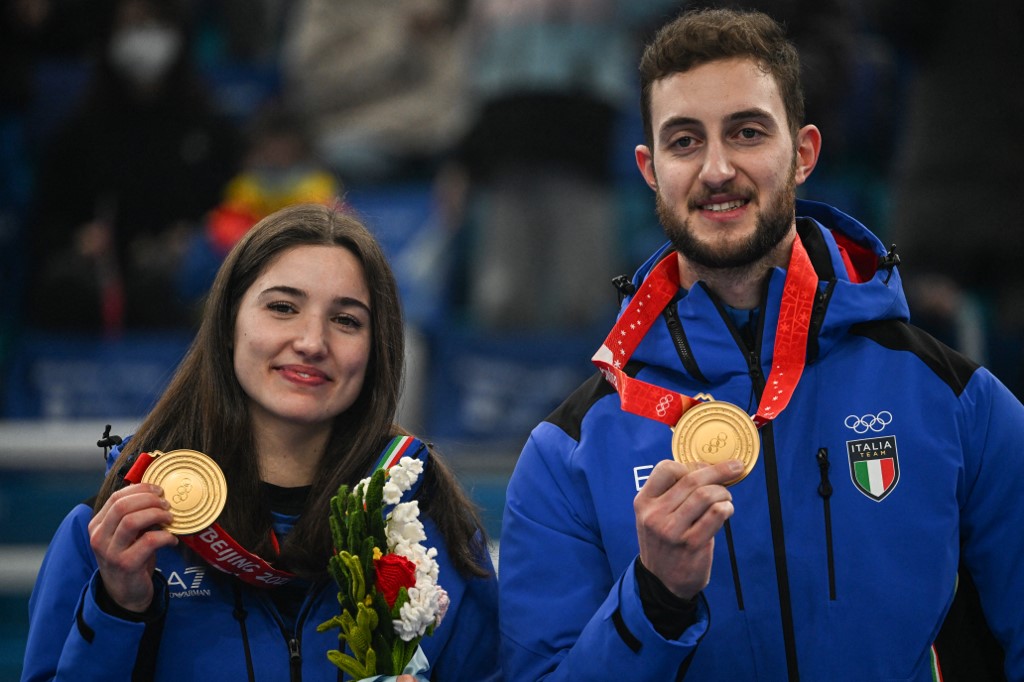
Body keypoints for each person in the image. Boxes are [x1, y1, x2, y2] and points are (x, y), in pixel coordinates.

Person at [498, 8, 1024, 681]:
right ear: (650, 169)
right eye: (685, 141)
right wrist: (653, 601)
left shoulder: (953, 400)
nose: (717, 169)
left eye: (747, 132)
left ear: (803, 153)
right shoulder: (568, 454)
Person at [21, 203, 502, 681]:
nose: (312, 342)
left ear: (377, 350)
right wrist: (118, 609)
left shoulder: (436, 531)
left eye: (346, 320)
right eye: (283, 308)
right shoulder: (116, 534)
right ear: (229, 323)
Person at [26, 0, 242, 333]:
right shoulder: (79, 133)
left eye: (156, 26)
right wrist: (78, 238)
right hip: (100, 275)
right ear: (110, 35)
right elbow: (48, 219)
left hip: (178, 276)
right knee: (65, 288)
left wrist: (199, 238)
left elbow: (235, 208)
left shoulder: (212, 131)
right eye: (133, 26)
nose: (145, 38)